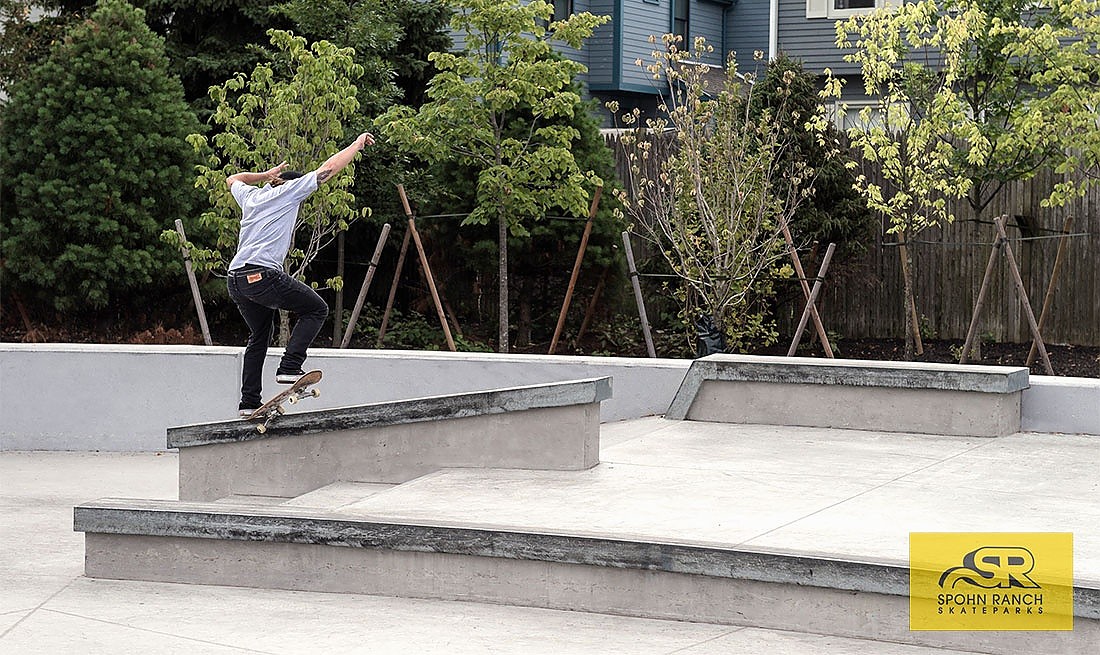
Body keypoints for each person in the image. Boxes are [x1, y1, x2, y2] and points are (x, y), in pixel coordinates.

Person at [226, 132, 374, 416]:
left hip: (236, 279)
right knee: (317, 309)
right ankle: (290, 366)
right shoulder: (289, 191)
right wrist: (355, 145)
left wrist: (264, 174)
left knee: (259, 334)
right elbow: (327, 170)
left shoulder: (251, 197)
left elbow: (233, 179)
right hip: (261, 274)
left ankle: (248, 402)